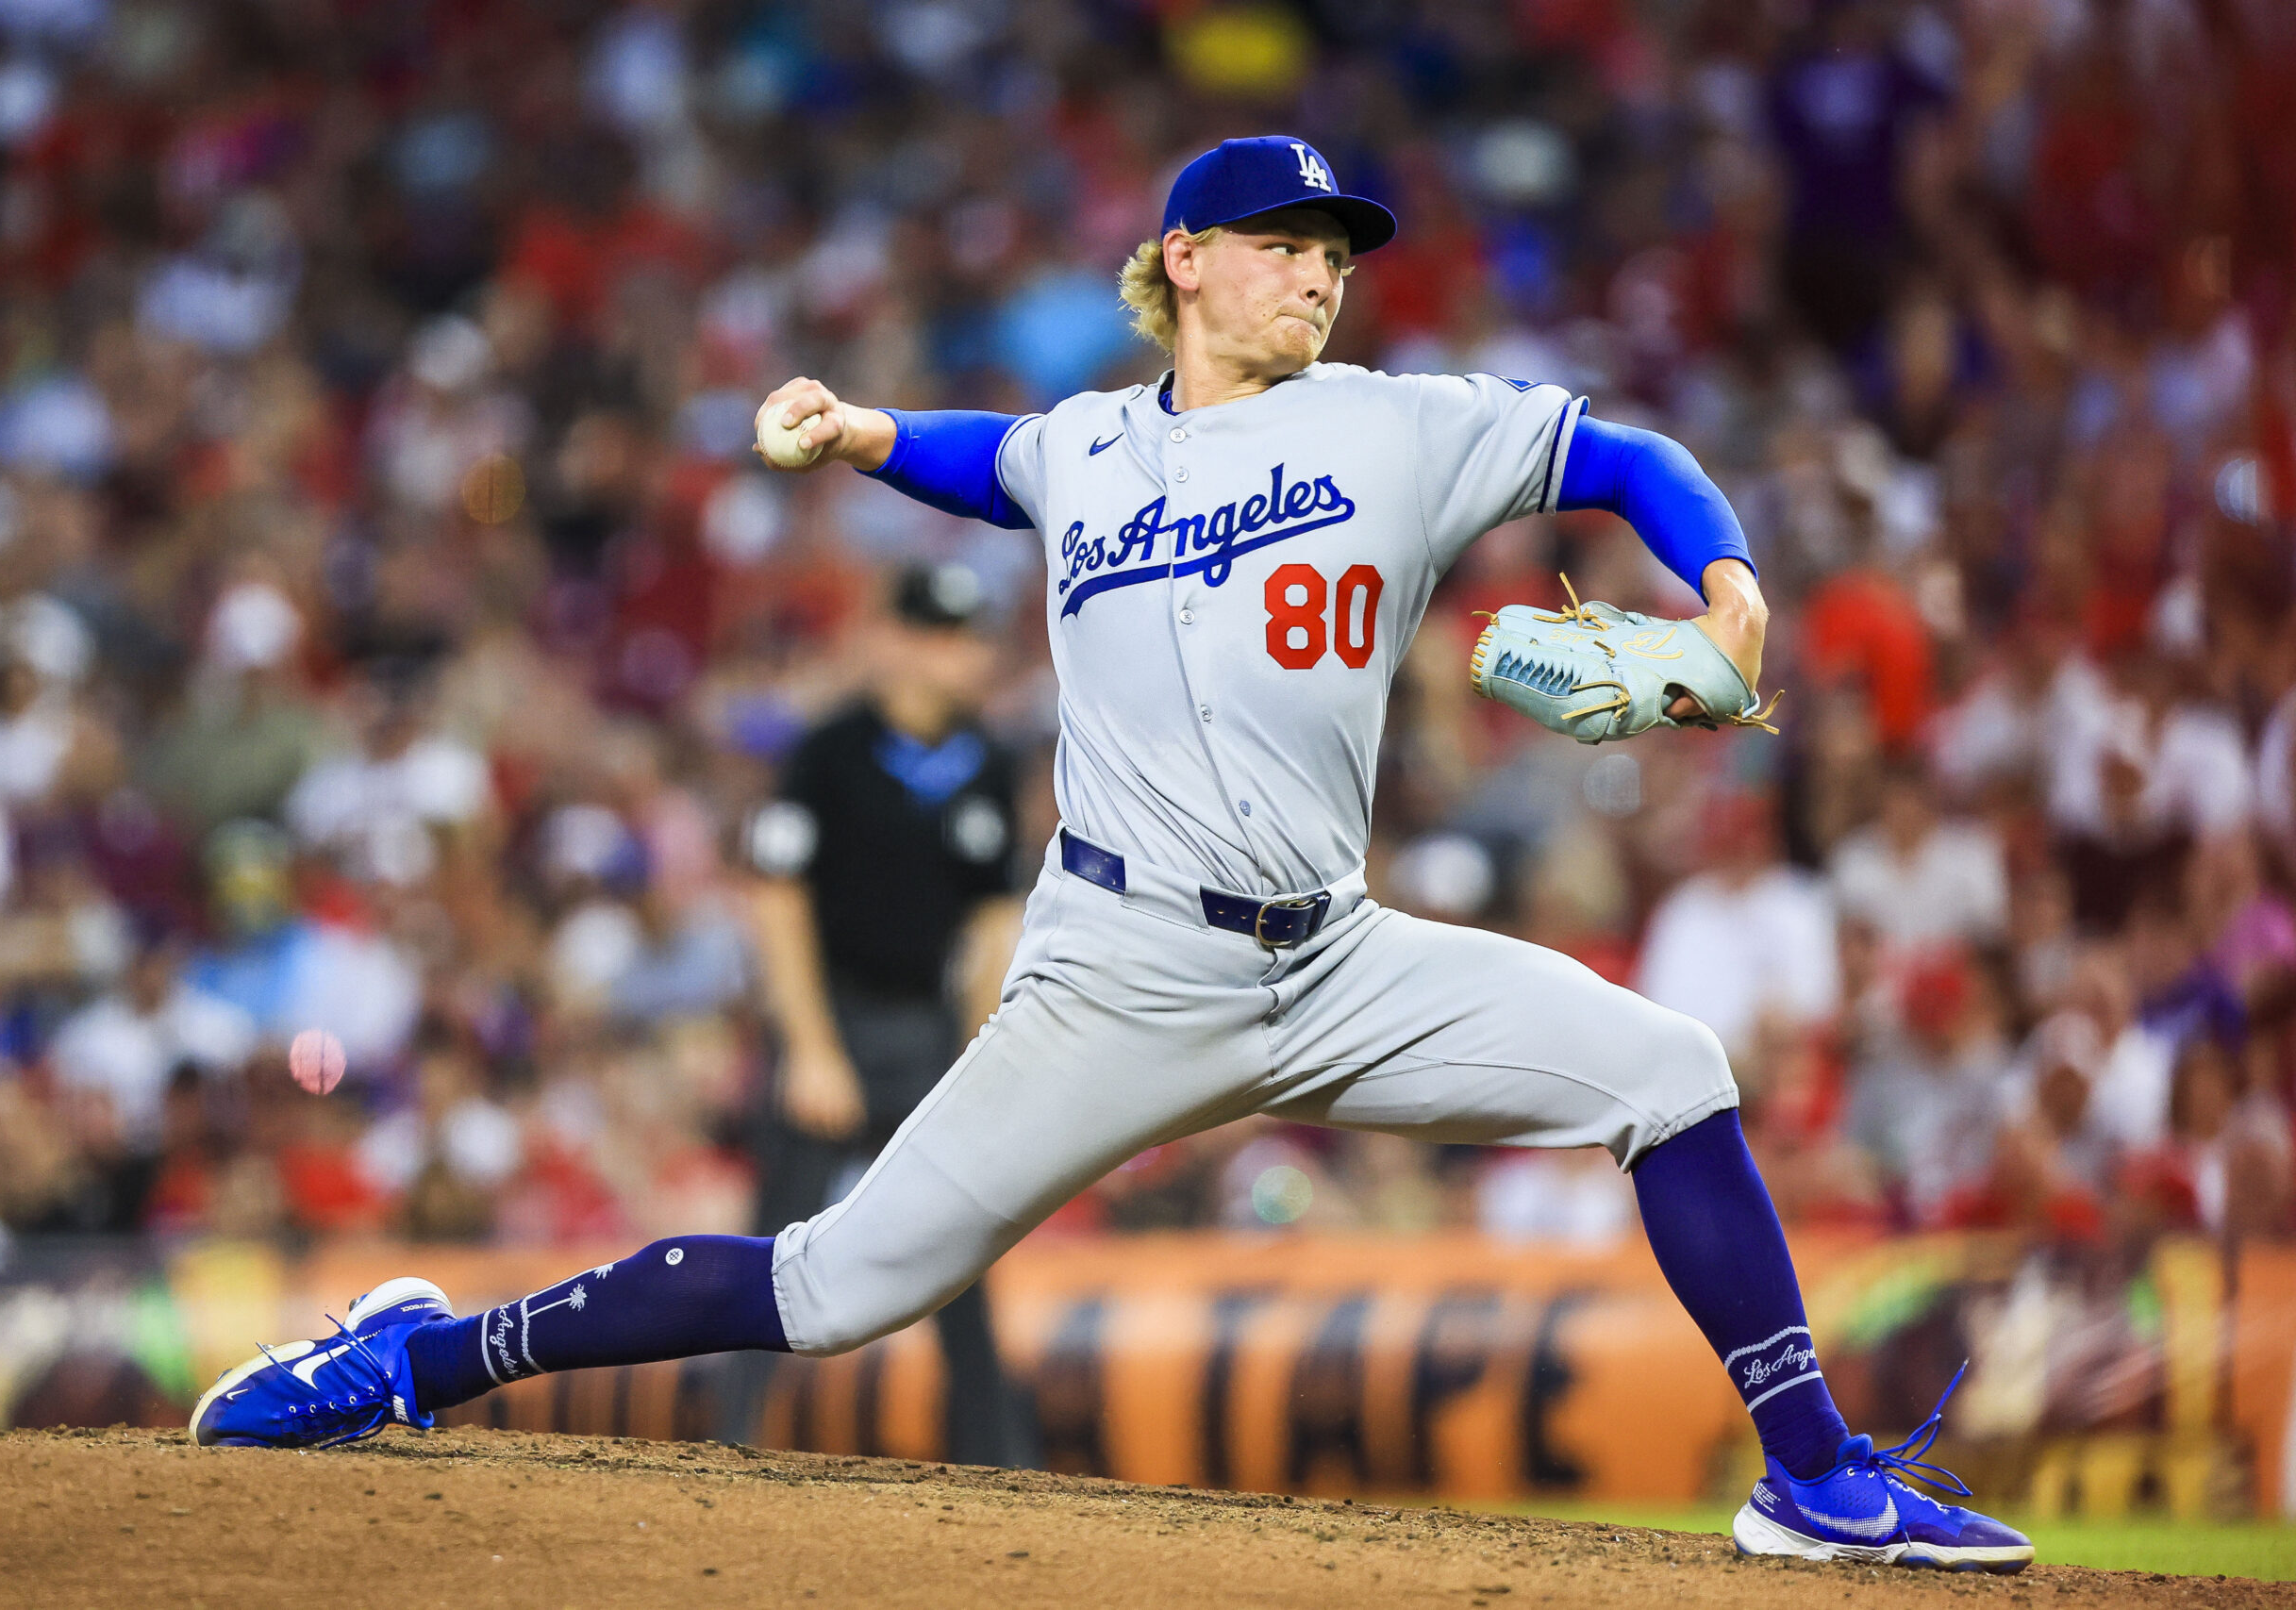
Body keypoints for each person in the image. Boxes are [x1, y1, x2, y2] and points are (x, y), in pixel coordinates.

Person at [191, 135, 2031, 1574]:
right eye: (1287, 241)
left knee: (1670, 1068)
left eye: (1337, 249)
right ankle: (415, 1356)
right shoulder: (1085, 448)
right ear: (1180, 264)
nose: (1320, 268)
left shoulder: (1399, 424)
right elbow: (993, 455)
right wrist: (856, 434)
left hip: (1336, 957)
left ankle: (1810, 1478)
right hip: (1119, 969)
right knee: (836, 1288)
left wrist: (1726, 593)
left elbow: (1622, 457)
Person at [734, 561, 1032, 1465]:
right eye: (943, 634)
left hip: (926, 1033)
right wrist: (811, 1048)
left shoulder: (987, 758)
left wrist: (983, 1052)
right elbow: (776, 900)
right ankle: (717, 1446)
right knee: (774, 1249)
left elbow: (991, 917)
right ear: (895, 637)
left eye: (972, 636)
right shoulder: (828, 751)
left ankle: (1002, 1469)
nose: (965, 654)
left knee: (958, 1258)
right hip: (836, 1022)